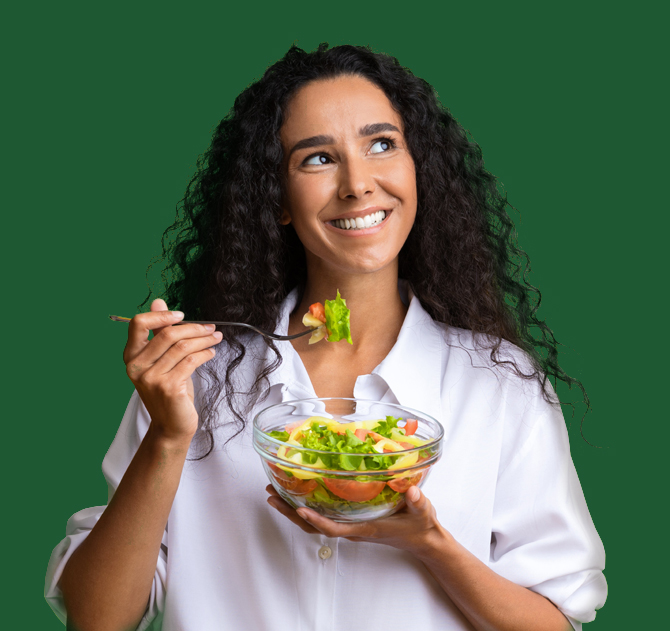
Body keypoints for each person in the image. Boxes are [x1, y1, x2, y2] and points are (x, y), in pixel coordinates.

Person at [45, 43, 606, 631]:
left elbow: (556, 621)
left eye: (381, 144)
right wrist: (165, 437)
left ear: (419, 171)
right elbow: (96, 618)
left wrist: (429, 543)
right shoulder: (197, 378)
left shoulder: (496, 384)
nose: (358, 184)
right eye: (317, 159)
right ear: (279, 201)